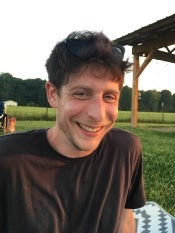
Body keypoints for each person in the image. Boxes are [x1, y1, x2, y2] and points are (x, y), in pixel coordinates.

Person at [0, 31, 146, 233]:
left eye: (109, 96)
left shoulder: (125, 150)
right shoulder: (8, 159)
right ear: (53, 95)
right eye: (81, 94)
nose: (97, 114)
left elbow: (124, 217)